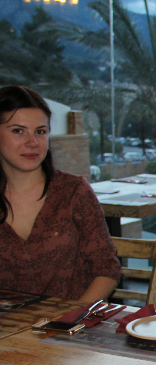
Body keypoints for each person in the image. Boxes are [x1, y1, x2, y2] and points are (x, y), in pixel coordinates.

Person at [0, 85, 121, 301]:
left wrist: (73, 314)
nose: (32, 143)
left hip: (72, 318)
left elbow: (107, 269)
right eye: (18, 131)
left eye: (40, 132)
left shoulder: (73, 191)